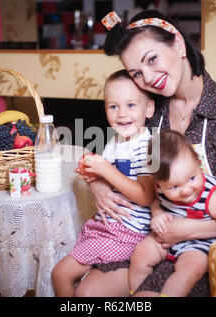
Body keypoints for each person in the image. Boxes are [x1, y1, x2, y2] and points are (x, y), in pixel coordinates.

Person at [75, 10, 216, 297]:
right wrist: (98, 186)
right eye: (136, 73)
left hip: (203, 251)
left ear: (178, 44)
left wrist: (187, 230)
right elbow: (118, 156)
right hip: (142, 236)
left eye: (152, 59)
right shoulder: (151, 108)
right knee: (85, 295)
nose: (149, 79)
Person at [51, 69, 156, 296]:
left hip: (130, 233)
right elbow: (97, 175)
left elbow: (147, 196)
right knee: (59, 275)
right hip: (105, 227)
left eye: (131, 105)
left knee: (77, 286)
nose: (121, 114)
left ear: (149, 109)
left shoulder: (151, 145)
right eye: (113, 106)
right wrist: (91, 174)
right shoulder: (115, 143)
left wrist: (105, 170)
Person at [129, 130, 216, 297]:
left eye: (192, 178)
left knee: (189, 270)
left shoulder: (211, 195)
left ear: (198, 163)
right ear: (159, 183)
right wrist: (157, 214)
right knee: (140, 255)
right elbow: (156, 202)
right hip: (166, 238)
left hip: (198, 244)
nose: (186, 190)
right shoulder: (161, 188)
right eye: (174, 187)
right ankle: (137, 294)